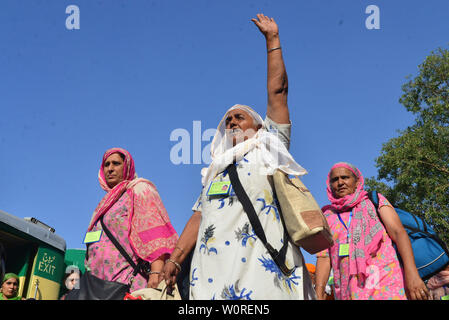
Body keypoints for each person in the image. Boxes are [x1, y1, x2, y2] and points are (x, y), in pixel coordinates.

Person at [162, 14, 315, 300]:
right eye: (227, 119)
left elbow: (278, 92)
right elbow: (199, 216)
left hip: (261, 273)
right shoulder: (214, 172)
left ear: (259, 127)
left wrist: (272, 40)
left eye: (239, 117)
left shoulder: (269, 147)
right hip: (211, 277)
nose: (232, 121)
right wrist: (175, 258)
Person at [315, 162, 429, 300]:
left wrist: (413, 274)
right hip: (347, 291)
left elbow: (399, 234)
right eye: (335, 179)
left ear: (357, 182)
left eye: (345, 177)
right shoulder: (327, 216)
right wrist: (319, 291)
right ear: (330, 185)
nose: (340, 182)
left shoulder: (374, 201)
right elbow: (324, 257)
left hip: (386, 284)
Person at [83, 147, 178, 292]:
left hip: (126, 283)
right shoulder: (105, 204)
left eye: (116, 163)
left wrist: (156, 272)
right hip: (97, 286)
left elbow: (154, 233)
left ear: (127, 166)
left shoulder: (139, 189)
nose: (110, 168)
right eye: (106, 165)